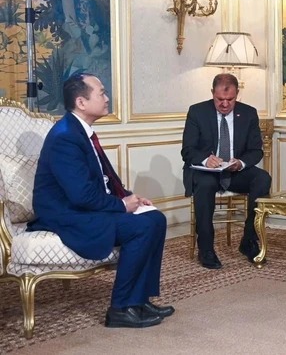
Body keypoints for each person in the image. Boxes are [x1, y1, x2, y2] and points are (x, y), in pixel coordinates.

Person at [28, 72, 173, 328]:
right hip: (67, 214)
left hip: (83, 207)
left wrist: (129, 197)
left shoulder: (79, 131)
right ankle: (120, 308)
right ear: (81, 102)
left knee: (155, 218)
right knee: (143, 226)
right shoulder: (65, 137)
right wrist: (121, 206)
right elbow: (81, 195)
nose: (107, 98)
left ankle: (138, 300)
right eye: (102, 93)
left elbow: (103, 180)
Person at [182, 73, 271, 269]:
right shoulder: (197, 112)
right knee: (205, 185)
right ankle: (206, 249)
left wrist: (241, 163)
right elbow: (187, 150)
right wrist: (206, 159)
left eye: (230, 99)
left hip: (234, 171)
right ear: (212, 93)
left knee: (262, 179)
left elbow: (256, 150)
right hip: (206, 172)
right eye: (219, 99)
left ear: (237, 94)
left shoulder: (248, 113)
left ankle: (249, 240)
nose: (224, 104)